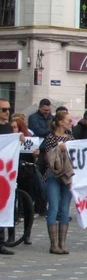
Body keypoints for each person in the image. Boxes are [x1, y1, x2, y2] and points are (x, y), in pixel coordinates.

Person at [44, 111, 75, 254]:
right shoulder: (51, 137)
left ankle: (62, 243)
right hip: (54, 176)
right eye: (68, 120)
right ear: (61, 122)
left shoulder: (71, 138)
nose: (71, 123)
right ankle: (53, 244)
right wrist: (59, 148)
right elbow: (49, 157)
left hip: (67, 176)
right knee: (53, 208)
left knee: (64, 209)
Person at [0, 98, 26, 255]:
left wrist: (19, 139)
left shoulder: (9, 128)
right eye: (4, 109)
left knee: (3, 205)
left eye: (8, 109)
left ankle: (1, 242)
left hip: (4, 175)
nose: (7, 112)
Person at [11, 117, 38, 245]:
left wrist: (35, 155)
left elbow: (33, 160)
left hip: (26, 174)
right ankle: (11, 235)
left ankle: (27, 234)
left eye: (15, 127)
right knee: (10, 205)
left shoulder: (28, 139)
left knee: (28, 205)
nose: (13, 130)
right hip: (12, 173)